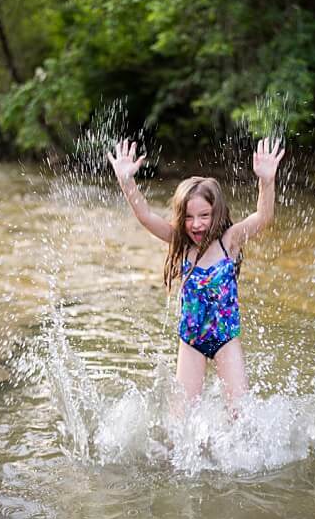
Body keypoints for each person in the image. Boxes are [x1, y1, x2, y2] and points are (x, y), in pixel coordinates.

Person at [107, 137, 285, 411]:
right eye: (189, 217)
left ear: (217, 212)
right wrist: (126, 181)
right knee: (181, 420)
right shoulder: (179, 242)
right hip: (191, 340)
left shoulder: (230, 240)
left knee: (240, 413)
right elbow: (145, 216)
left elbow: (263, 217)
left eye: (204, 215)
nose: (196, 224)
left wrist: (266, 181)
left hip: (226, 337)